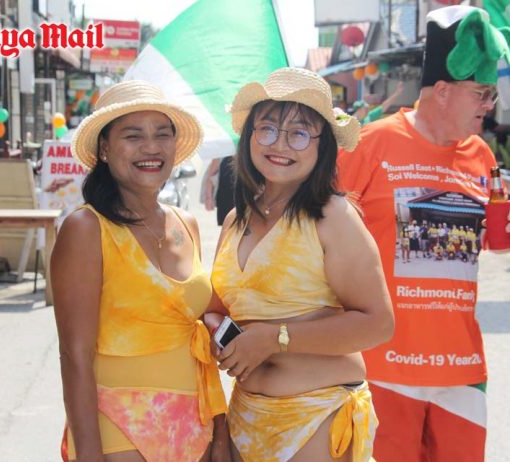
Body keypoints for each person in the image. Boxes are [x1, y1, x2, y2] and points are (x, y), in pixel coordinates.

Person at [337, 6, 510, 461]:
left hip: (461, 370)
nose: (490, 105)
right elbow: (318, 236)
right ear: (443, 91)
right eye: (482, 93)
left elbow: (486, 244)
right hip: (383, 366)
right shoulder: (370, 144)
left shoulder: (482, 156)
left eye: (492, 94)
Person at [206, 67, 394, 462]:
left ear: (323, 147)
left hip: (316, 418)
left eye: (300, 132)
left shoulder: (333, 217)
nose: (281, 144)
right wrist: (214, 327)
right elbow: (220, 310)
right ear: (249, 136)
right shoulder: (234, 220)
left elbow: (378, 323)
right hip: (245, 416)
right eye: (268, 128)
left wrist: (275, 338)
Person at [51, 80, 228, 462]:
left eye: (162, 134)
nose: (151, 147)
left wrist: (220, 429)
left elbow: (202, 321)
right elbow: (74, 356)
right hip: (120, 428)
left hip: (193, 426)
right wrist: (89, 455)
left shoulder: (186, 224)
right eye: (133, 136)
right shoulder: (87, 229)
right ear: (104, 149)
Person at [203, 156, 235, 225]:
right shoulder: (222, 153)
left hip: (244, 199)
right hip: (225, 199)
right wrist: (209, 198)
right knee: (228, 226)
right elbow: (211, 176)